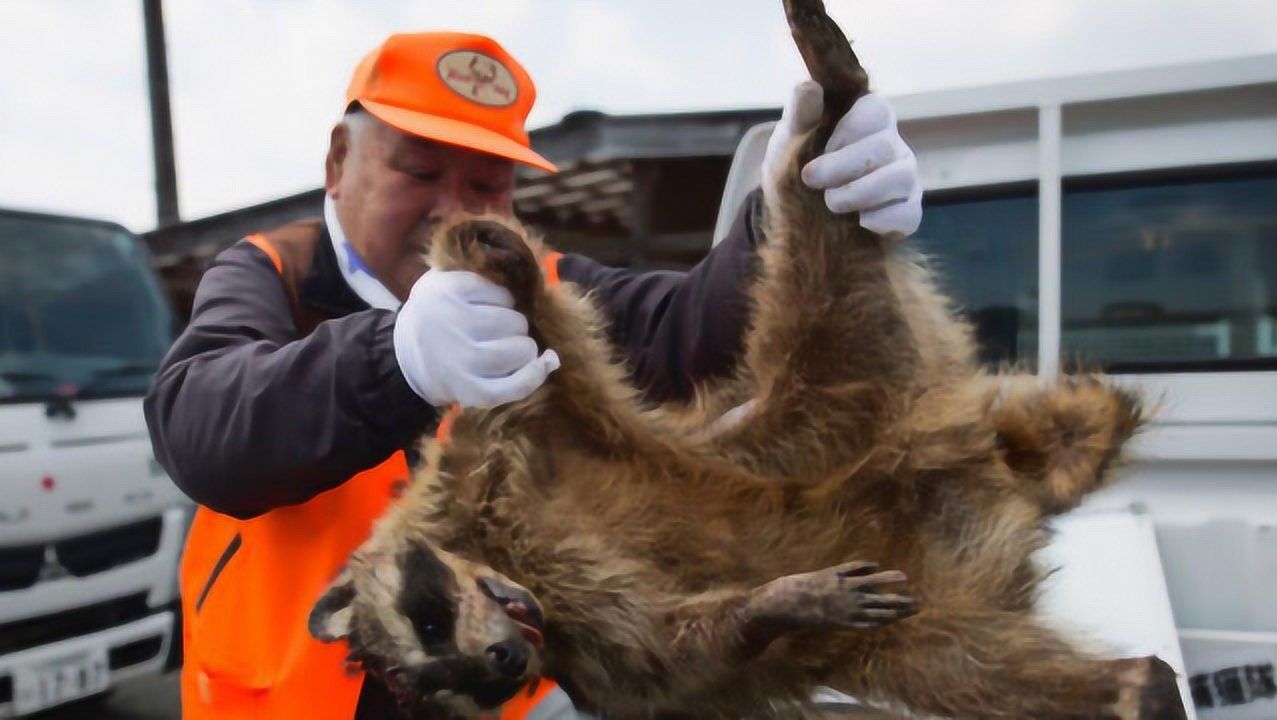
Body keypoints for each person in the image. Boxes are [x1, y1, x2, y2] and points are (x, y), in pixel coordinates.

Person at [145, 31, 923, 720]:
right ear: (339, 162)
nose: (452, 209)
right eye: (420, 171)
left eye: (487, 185)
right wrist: (396, 359)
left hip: (504, 692)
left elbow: (689, 330)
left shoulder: (537, 288)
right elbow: (200, 426)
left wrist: (787, 213)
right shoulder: (272, 273)